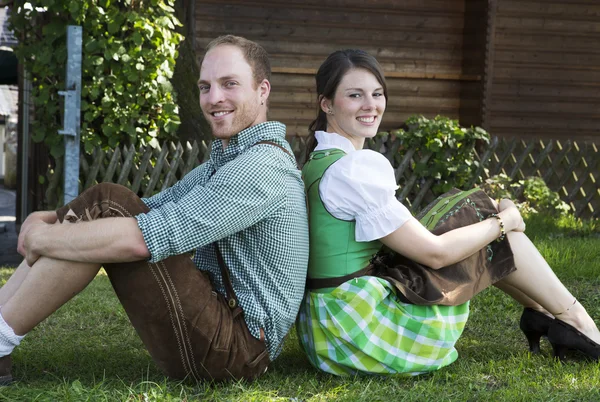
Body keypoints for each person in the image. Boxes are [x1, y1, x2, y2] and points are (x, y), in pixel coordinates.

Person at [0, 35, 309, 384]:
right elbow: (150, 208)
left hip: (238, 353)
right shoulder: (229, 160)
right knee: (110, 201)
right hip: (226, 333)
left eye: (230, 84)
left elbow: (143, 238)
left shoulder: (260, 168)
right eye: (205, 86)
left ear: (262, 90)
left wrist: (44, 237)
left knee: (111, 202)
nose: (214, 98)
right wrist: (45, 221)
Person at [296, 49, 600, 376]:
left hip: (328, 327)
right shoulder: (354, 168)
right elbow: (436, 254)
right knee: (492, 226)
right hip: (363, 331)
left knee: (480, 220)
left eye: (377, 93)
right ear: (326, 104)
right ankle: (576, 321)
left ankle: (543, 312)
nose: (371, 105)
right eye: (355, 95)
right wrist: (505, 220)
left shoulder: (321, 159)